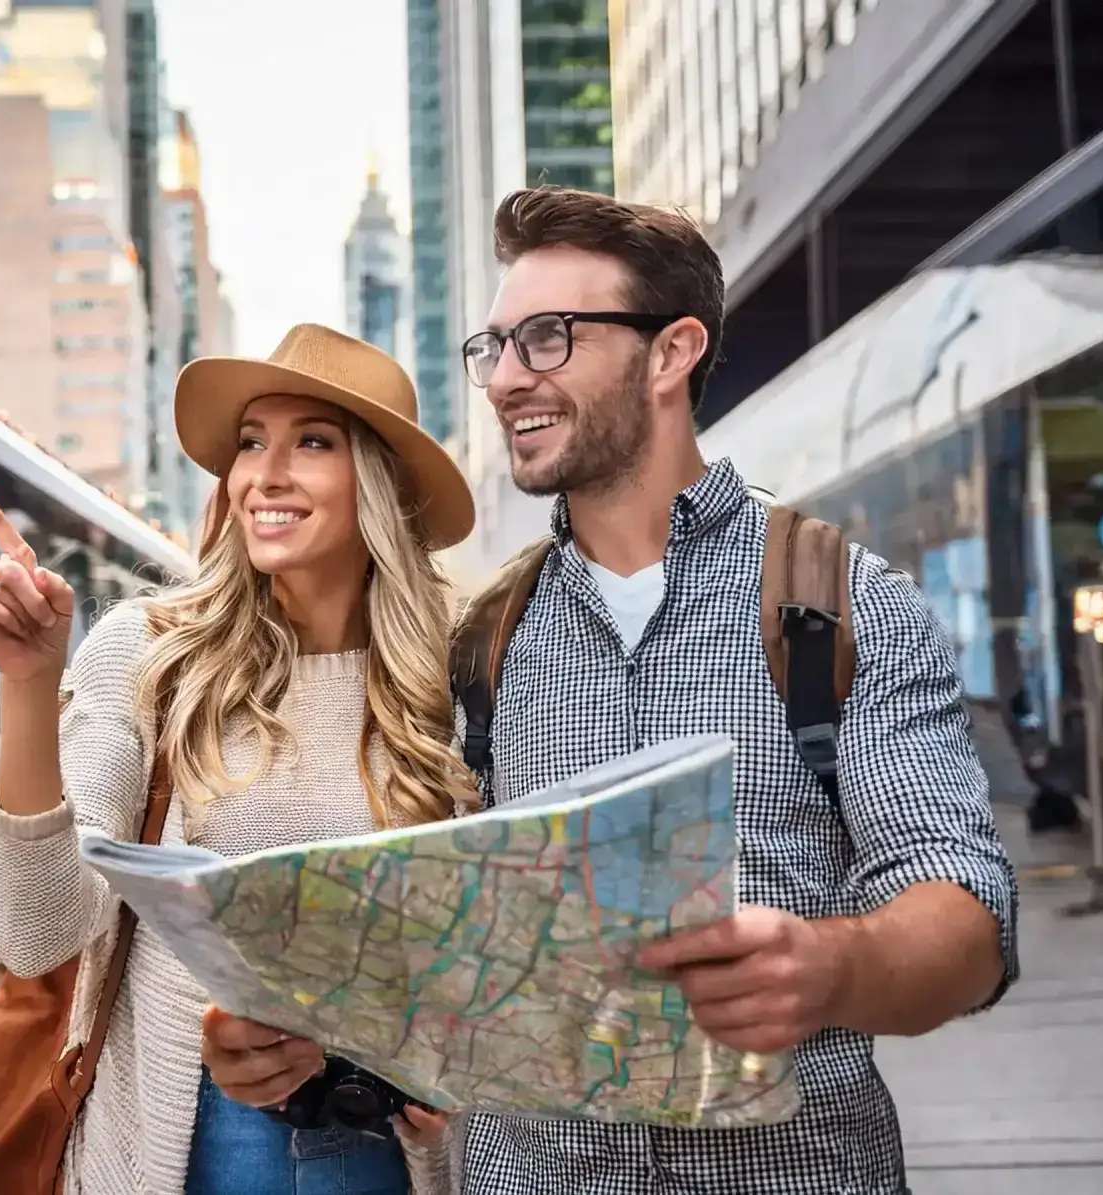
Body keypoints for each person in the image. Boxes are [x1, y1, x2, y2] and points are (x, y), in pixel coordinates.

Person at [203, 189, 1021, 1194]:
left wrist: (829, 967)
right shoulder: (479, 646)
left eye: (546, 339)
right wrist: (307, 1040)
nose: (504, 379)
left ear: (670, 353)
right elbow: (443, 948)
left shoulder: (844, 604)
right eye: (494, 346)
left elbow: (969, 914)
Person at [0, 323, 477, 1195]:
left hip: (388, 1152)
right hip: (191, 1149)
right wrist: (29, 683)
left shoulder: (454, 678)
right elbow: (32, 931)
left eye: (312, 441)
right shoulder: (148, 653)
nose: (263, 475)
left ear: (380, 484)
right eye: (250, 443)